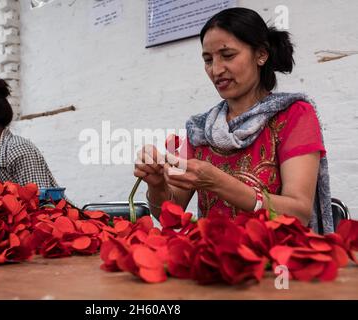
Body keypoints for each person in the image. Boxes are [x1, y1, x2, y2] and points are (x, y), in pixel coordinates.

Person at [134, 7, 333, 234]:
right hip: (215, 259)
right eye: (208, 60)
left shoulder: (294, 115)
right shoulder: (200, 130)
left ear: (261, 54)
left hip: (273, 259)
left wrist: (219, 183)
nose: (216, 70)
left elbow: (299, 213)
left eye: (227, 55)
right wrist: (157, 183)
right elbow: (170, 213)